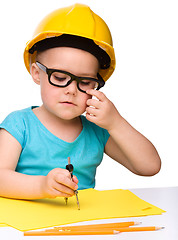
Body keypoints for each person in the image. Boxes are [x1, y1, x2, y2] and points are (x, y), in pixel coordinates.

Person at [0, 3, 161, 200]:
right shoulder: (20, 124)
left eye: (85, 82)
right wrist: (42, 186)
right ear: (36, 73)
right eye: (59, 77)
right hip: (25, 228)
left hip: (82, 226)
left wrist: (116, 122)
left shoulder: (97, 130)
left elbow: (149, 167)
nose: (72, 90)